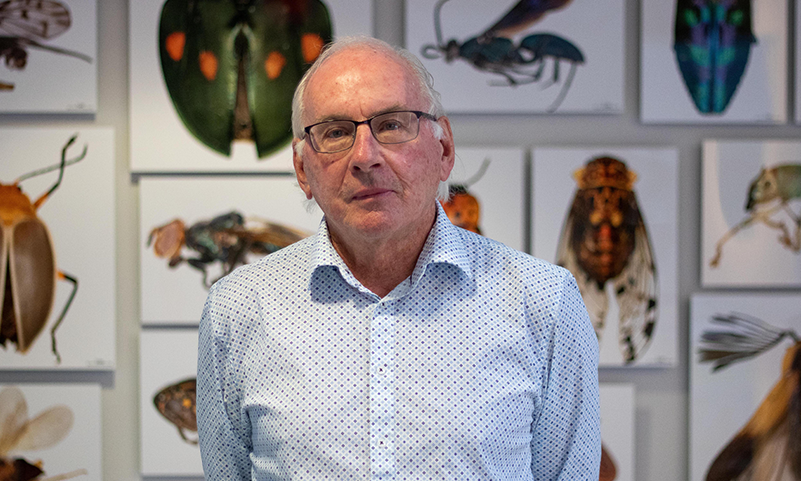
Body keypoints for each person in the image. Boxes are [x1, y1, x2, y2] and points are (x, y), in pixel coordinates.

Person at [198, 36, 600, 480]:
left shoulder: (544, 301)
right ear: (302, 170)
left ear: (444, 149)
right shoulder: (237, 309)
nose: (365, 156)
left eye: (391, 125)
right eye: (335, 133)